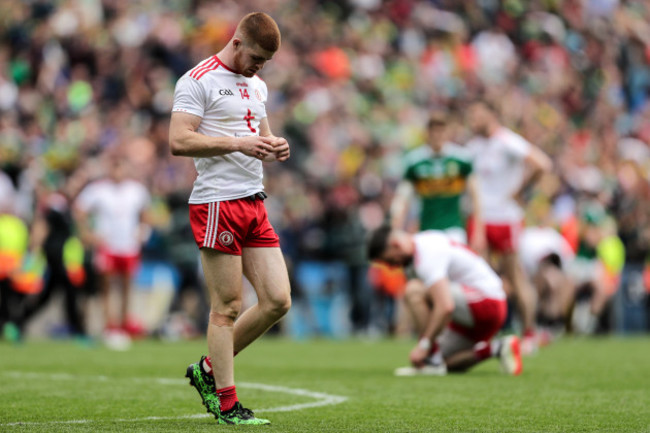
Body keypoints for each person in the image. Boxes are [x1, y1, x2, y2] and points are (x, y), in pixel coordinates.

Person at [168, 12, 291, 426]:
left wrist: (275, 145)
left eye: (266, 62)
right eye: (256, 56)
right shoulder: (197, 79)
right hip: (217, 201)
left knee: (277, 300)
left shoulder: (257, 85)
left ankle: (206, 370)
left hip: (254, 201)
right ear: (236, 42)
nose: (260, 66)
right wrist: (239, 143)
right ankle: (226, 402)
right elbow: (178, 140)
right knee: (227, 307)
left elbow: (262, 132)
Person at [367, 226, 522, 376]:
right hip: (477, 310)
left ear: (396, 245)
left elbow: (445, 306)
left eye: (389, 260)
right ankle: (497, 348)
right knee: (444, 362)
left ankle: (431, 358)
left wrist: (424, 345)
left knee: (413, 290)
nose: (393, 267)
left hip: (488, 303)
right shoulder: (423, 242)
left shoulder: (426, 253)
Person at [465, 101, 552, 353]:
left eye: (477, 114)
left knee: (515, 275)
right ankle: (481, 333)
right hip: (480, 218)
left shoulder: (507, 141)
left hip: (505, 217)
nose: (473, 120)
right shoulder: (474, 146)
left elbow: (542, 164)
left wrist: (520, 191)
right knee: (477, 275)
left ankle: (529, 332)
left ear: (491, 115)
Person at [74, 155, 151, 341]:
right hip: (107, 244)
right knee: (106, 286)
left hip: (129, 245)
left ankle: (124, 324)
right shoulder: (98, 190)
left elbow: (146, 213)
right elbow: (80, 210)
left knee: (126, 286)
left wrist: (143, 232)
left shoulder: (136, 190)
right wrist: (88, 234)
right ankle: (109, 325)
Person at [518, 226, 575, 337]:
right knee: (550, 281)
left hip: (551, 274)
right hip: (532, 275)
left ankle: (558, 323)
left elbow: (567, 263)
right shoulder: (527, 236)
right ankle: (544, 322)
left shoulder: (554, 237)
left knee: (565, 283)